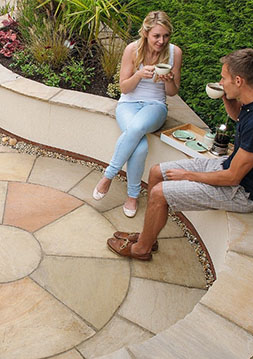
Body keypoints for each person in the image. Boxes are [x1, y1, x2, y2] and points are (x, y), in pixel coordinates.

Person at [107, 48, 253, 260]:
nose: (220, 82)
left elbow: (233, 177)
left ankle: (141, 250)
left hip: (243, 192)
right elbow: (238, 117)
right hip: (228, 167)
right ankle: (148, 238)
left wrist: (187, 176)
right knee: (157, 172)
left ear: (239, 80)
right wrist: (226, 96)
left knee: (159, 193)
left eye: (224, 79)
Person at [93, 10, 183, 218]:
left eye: (166, 36)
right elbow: (124, 88)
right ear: (145, 33)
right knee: (140, 146)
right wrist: (139, 74)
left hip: (155, 106)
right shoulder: (132, 50)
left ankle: (108, 175)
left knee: (137, 128)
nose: (161, 41)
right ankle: (132, 195)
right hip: (128, 105)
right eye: (157, 36)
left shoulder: (174, 53)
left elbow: (172, 92)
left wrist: (168, 79)